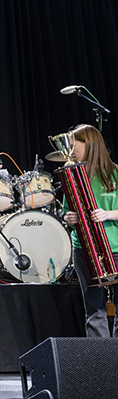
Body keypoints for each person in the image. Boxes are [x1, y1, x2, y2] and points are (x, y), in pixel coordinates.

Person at [62, 124, 118, 337]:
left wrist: (108, 214)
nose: (72, 150)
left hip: (115, 247)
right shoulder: (73, 176)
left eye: (75, 145)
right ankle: (100, 363)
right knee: (94, 309)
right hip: (85, 249)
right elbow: (67, 212)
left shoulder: (114, 174)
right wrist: (69, 218)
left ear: (90, 145)